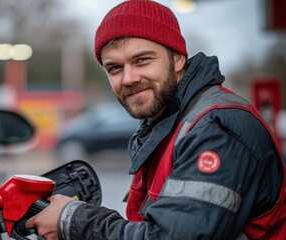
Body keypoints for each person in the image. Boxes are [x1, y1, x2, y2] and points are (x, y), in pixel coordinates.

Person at [25, 0, 286, 239]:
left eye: (142, 60)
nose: (128, 78)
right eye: (114, 68)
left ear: (178, 59)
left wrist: (72, 219)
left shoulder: (215, 128)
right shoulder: (166, 123)